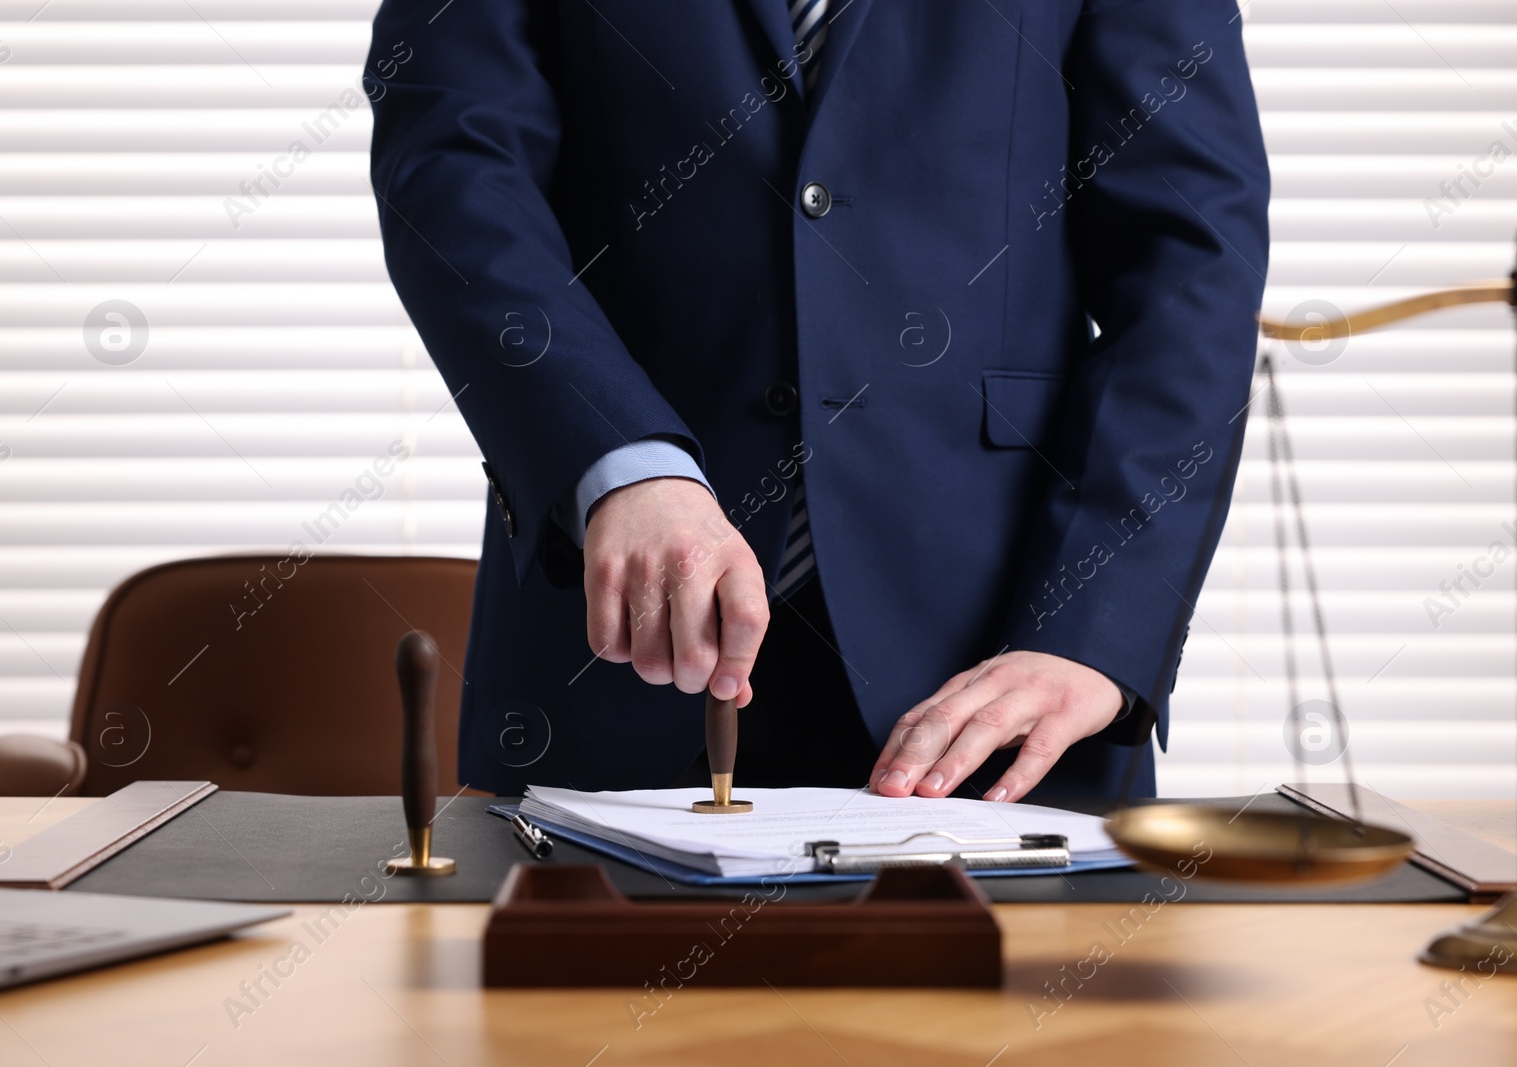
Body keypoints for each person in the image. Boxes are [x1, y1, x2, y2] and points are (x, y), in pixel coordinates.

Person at [366, 0, 1269, 801]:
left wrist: (1095, 629)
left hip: (1010, 661)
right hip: (619, 647)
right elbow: (451, 162)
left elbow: (1195, 255)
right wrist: (619, 459)